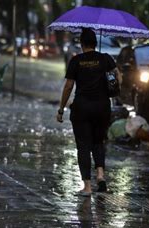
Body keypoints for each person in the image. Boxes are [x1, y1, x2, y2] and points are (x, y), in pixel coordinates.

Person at [56, 28, 120, 196]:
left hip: (82, 108)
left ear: (81, 43)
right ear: (95, 43)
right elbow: (117, 77)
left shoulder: (76, 61)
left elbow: (69, 86)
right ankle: (100, 176)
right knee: (98, 142)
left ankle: (87, 187)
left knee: (83, 146)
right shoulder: (106, 58)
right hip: (102, 108)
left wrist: (61, 108)